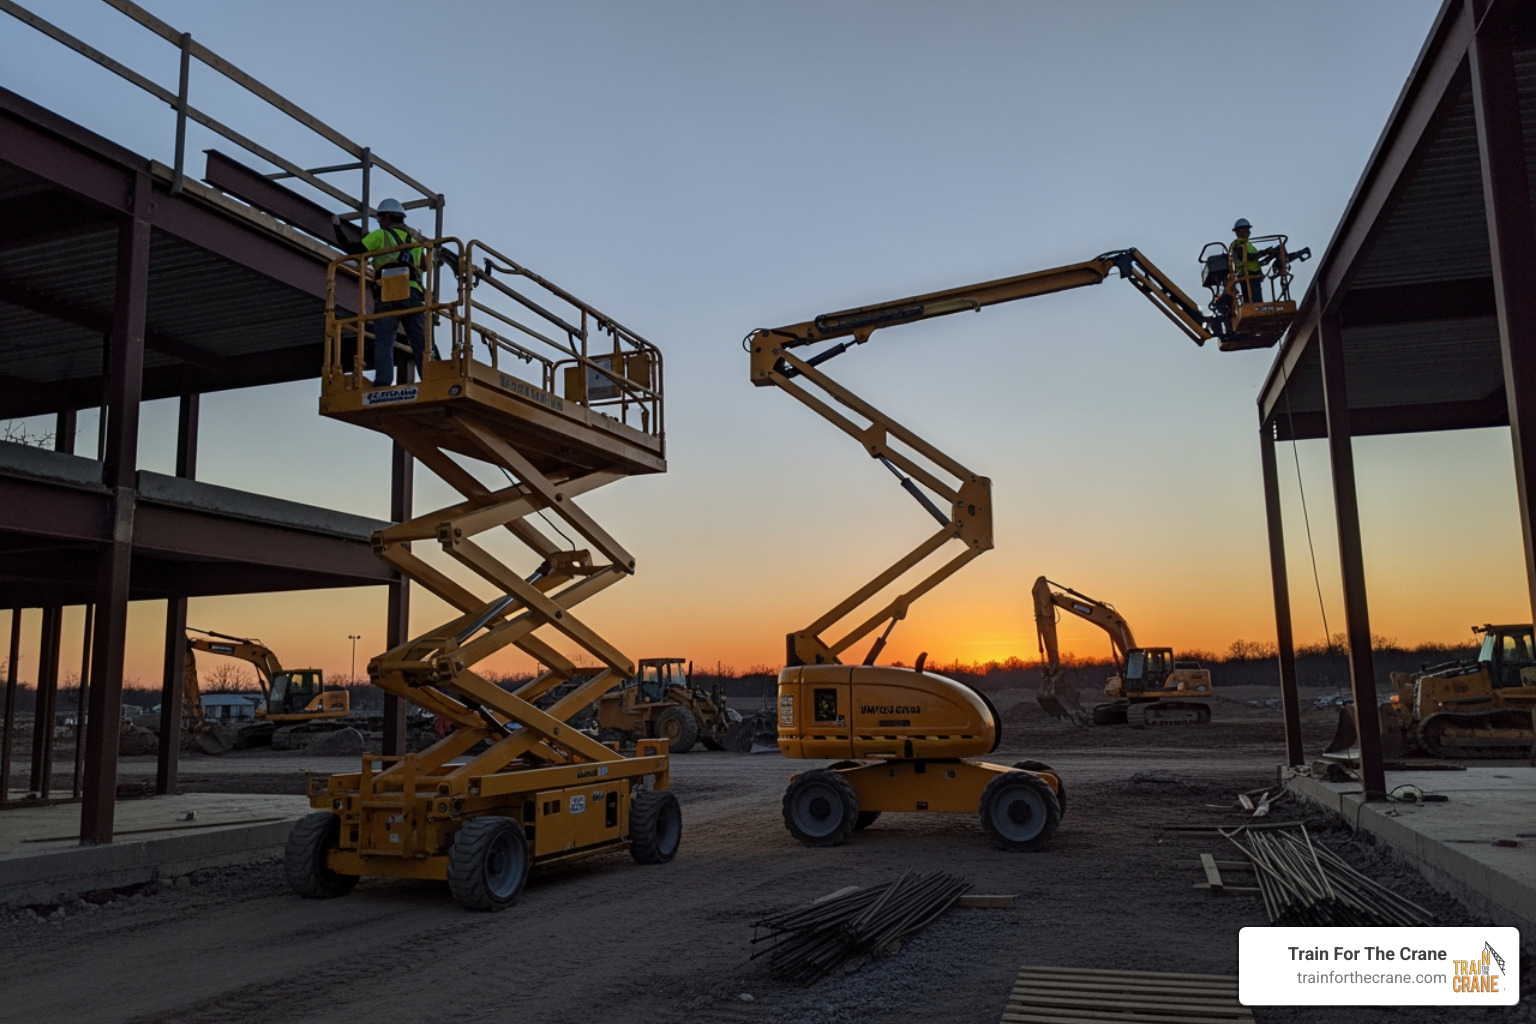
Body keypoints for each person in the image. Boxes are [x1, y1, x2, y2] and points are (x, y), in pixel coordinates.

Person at [359, 198, 426, 388]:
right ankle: (430, 377)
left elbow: (355, 251)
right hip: (413, 292)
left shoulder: (380, 235)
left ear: (387, 217)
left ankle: (383, 381)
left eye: (379, 218)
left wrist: (337, 228)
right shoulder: (415, 241)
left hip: (388, 291)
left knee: (384, 339)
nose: (379, 221)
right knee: (419, 340)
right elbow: (424, 266)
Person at [1229, 218, 1267, 305]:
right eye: (1245, 229)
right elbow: (1246, 257)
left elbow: (1255, 260)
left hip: (1254, 275)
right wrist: (1263, 253)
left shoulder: (1248, 244)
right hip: (1247, 276)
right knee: (1254, 302)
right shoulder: (1238, 245)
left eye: (1248, 229)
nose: (1248, 231)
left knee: (1257, 302)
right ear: (1238, 232)